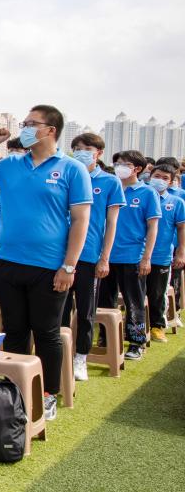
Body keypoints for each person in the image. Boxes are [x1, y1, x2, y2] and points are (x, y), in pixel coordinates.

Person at [0, 105, 91, 421]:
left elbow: (80, 220)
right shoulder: (9, 165)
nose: (25, 128)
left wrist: (69, 266)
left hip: (49, 267)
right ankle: (17, 389)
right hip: (8, 263)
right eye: (24, 123)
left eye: (32, 123)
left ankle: (48, 394)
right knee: (15, 330)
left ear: (51, 130)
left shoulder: (72, 169)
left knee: (46, 332)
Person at [64, 133, 124, 380]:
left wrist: (104, 258)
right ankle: (61, 354)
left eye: (87, 148)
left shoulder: (110, 182)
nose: (81, 152)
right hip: (60, 255)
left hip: (89, 255)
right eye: (77, 148)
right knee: (59, 310)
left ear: (98, 153)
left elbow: (111, 224)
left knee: (86, 311)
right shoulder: (67, 174)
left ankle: (80, 357)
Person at [96, 150, 160, 356]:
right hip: (106, 256)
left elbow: (152, 227)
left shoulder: (147, 193)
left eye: (124, 164)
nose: (118, 168)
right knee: (105, 302)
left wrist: (146, 258)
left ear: (137, 169)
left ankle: (136, 342)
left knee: (134, 302)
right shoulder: (111, 187)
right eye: (117, 164)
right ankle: (106, 337)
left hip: (132, 257)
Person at [146, 163, 185, 338]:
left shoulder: (176, 202)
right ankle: (137, 326)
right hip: (136, 255)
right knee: (137, 293)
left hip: (161, 255)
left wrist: (181, 251)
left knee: (157, 292)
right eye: (157, 176)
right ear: (150, 177)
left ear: (171, 182)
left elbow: (182, 228)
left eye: (165, 178)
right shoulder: (142, 196)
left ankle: (157, 326)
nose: (160, 180)